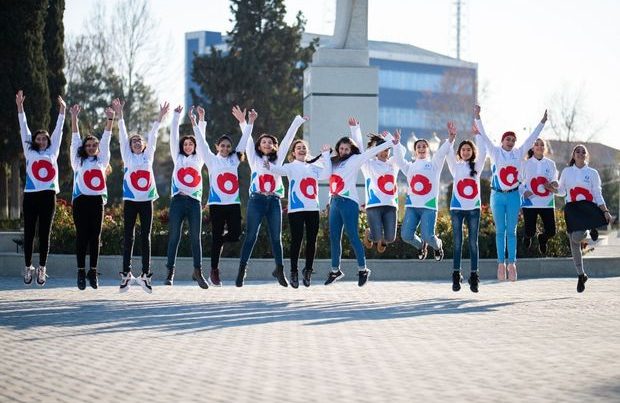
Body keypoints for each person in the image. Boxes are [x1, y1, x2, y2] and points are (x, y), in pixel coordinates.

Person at [474, 105, 547, 281]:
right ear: (502, 141)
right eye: (508, 139)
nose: (511, 142)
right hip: (497, 196)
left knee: (512, 231)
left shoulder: (519, 153)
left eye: (513, 139)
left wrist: (542, 122)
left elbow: (531, 139)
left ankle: (512, 263)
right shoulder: (495, 152)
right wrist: (477, 117)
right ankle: (501, 263)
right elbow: (483, 135)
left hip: (514, 195)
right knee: (501, 231)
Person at [236, 113, 307, 287]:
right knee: (251, 236)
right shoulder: (254, 158)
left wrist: (298, 121)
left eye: (270, 142)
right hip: (257, 201)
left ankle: (279, 270)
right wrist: (245, 122)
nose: (267, 144)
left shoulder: (279, 160)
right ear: (260, 146)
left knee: (276, 238)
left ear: (274, 146)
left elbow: (289, 138)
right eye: (263, 142)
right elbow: (248, 141)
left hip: (274, 202)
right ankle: (242, 270)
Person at [325, 127, 397, 287]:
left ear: (351, 150)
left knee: (352, 236)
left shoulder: (355, 160)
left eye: (346, 148)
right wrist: (324, 156)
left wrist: (355, 129)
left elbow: (370, 152)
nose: (343, 151)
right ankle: (335, 270)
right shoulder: (334, 163)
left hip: (349, 202)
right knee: (334, 237)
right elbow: (323, 175)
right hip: (334, 202)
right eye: (341, 148)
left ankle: (363, 269)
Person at [113, 98, 169, 293]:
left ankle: (145, 275)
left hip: (146, 202)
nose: (136, 142)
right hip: (130, 202)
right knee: (128, 237)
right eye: (133, 141)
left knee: (145, 237)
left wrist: (160, 117)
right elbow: (122, 136)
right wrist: (119, 115)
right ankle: (126, 274)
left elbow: (153, 135)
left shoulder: (148, 156)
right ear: (129, 146)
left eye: (139, 141)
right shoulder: (127, 157)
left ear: (145, 146)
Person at [192, 105, 253, 286]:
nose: (226, 148)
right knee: (217, 236)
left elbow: (244, 140)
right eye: (222, 146)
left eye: (228, 146)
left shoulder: (235, 159)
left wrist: (248, 122)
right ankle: (214, 271)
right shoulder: (211, 159)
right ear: (217, 146)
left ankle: (218, 241)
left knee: (235, 235)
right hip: (217, 205)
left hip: (233, 204)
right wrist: (197, 122)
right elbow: (201, 143)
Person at [265, 139, 332, 288]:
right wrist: (266, 161)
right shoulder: (289, 167)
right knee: (297, 241)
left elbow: (327, 173)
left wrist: (326, 155)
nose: (301, 150)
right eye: (298, 148)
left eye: (304, 148)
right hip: (296, 210)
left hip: (312, 209)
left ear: (307, 151)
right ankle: (293, 272)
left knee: (312, 241)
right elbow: (275, 169)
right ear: (294, 152)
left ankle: (308, 271)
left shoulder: (313, 167)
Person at [16, 90, 65, 286]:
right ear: (34, 141)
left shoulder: (53, 150)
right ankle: (28, 267)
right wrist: (20, 106)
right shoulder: (29, 151)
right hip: (31, 196)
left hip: (48, 196)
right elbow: (23, 127)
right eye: (39, 139)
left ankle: (42, 268)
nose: (42, 141)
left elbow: (59, 131)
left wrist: (62, 111)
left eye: (45, 139)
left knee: (45, 232)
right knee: (29, 232)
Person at [164, 105, 210, 289]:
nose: (188, 146)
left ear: (195, 147)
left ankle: (198, 271)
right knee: (174, 236)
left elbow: (202, 139)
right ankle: (170, 272)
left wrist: (201, 120)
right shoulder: (178, 157)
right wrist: (176, 116)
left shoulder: (199, 159)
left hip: (194, 203)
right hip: (177, 201)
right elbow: (173, 138)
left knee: (195, 238)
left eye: (191, 144)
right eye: (186, 144)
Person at [556, 145, 612, 292]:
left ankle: (588, 230)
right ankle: (581, 275)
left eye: (583, 152)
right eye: (577, 151)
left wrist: (605, 211)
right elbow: (562, 191)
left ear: (586, 156)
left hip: (587, 209)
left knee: (578, 236)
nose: (580, 153)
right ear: (573, 155)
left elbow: (597, 194)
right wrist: (553, 188)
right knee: (574, 243)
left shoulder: (592, 173)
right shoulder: (567, 172)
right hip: (572, 209)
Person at [70, 103, 113, 290]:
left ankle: (93, 272)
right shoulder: (77, 161)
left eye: (94, 145)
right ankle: (81, 271)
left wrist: (110, 119)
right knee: (82, 236)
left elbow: (106, 139)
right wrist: (73, 118)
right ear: (84, 147)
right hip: (80, 201)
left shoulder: (102, 161)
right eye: (88, 145)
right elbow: (74, 139)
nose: (91, 147)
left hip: (97, 202)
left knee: (95, 237)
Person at [393, 129, 453, 262]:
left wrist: (450, 140)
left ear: (428, 150)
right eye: (418, 147)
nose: (421, 148)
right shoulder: (409, 167)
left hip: (429, 207)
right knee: (406, 235)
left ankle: (438, 246)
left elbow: (441, 153)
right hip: (412, 207)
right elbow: (399, 159)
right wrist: (396, 144)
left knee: (428, 235)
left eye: (424, 146)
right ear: (414, 151)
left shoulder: (434, 165)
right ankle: (421, 246)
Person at [347, 118, 400, 254]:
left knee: (390, 238)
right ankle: (370, 234)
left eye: (387, 149)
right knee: (376, 237)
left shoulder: (393, 163)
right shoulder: (369, 164)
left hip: (390, 205)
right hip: (374, 205)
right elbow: (359, 151)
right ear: (376, 151)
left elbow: (401, 153)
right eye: (382, 149)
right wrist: (355, 129)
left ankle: (381, 237)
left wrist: (392, 140)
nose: (385, 152)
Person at [445, 120, 487, 292]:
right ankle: (456, 276)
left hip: (473, 209)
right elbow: (447, 153)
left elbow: (484, 151)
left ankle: (474, 276)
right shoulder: (455, 167)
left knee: (472, 242)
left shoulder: (477, 166)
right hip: (457, 208)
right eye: (463, 150)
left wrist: (478, 134)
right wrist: (451, 137)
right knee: (457, 242)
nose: (466, 152)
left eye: (469, 149)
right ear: (459, 152)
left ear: (472, 152)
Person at [519, 138, 558, 255]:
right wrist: (524, 191)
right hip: (530, 203)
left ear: (545, 148)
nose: (539, 147)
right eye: (537, 144)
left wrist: (553, 184)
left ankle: (543, 239)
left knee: (551, 231)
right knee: (530, 231)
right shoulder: (525, 164)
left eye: (542, 145)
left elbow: (555, 181)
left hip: (547, 202)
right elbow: (519, 182)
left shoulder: (551, 164)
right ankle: (527, 236)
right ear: (532, 147)